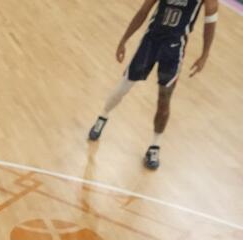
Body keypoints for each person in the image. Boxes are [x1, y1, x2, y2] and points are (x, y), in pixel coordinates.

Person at [87, 0, 218, 170]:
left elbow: (211, 19)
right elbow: (144, 10)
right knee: (123, 87)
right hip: (150, 43)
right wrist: (124, 39)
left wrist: (205, 55)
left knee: (164, 100)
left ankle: (154, 146)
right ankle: (102, 117)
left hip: (173, 50)